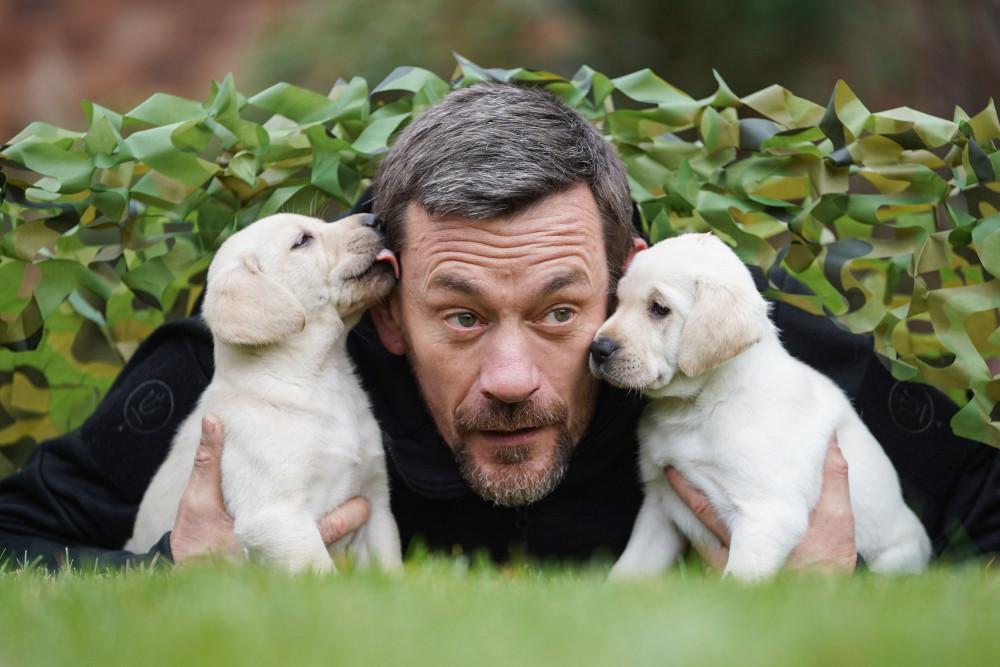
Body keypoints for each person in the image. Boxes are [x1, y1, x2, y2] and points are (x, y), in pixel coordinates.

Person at [1, 83, 997, 572]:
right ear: (385, 307)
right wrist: (165, 573)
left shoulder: (750, 355)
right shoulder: (243, 374)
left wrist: (861, 582)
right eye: (462, 316)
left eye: (562, 312)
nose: (514, 375)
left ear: (633, 278)